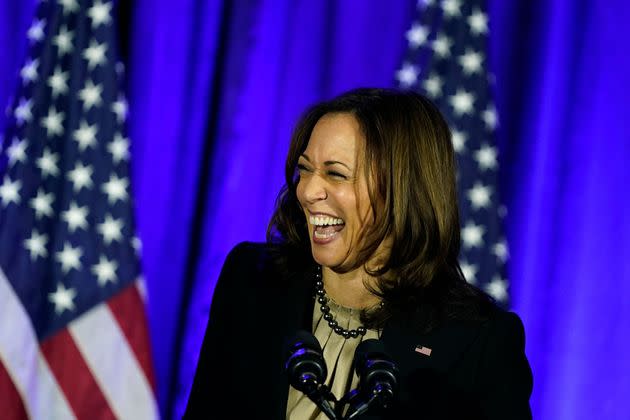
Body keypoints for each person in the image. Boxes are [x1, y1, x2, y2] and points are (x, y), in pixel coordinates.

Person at [184, 88, 533, 419]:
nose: (307, 191)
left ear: (402, 191)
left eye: (335, 174)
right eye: (305, 169)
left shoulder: (479, 342)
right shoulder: (251, 279)